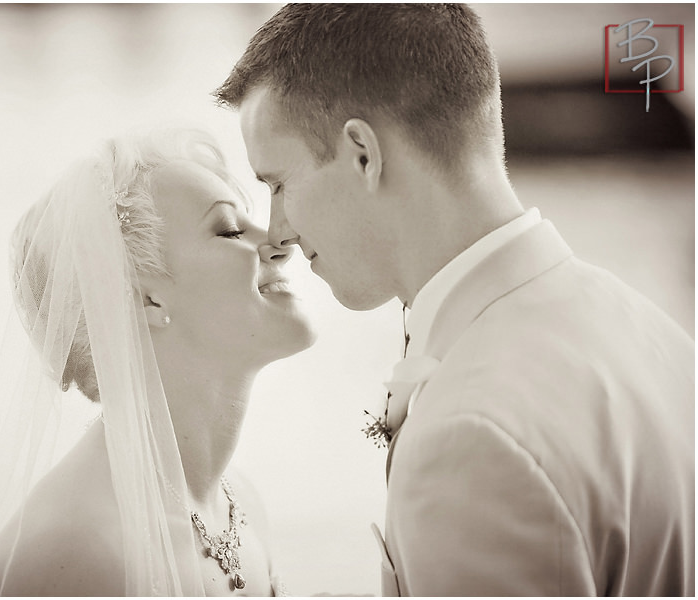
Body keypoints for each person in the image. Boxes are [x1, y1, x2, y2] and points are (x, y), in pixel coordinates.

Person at [215, 3, 694, 596]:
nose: (278, 230)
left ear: (363, 154)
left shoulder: (470, 438)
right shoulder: (655, 335)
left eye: (279, 184)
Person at [0, 128, 314, 596]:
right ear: (145, 299)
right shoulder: (71, 554)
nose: (282, 240)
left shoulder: (238, 502)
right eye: (228, 229)